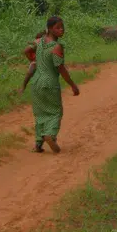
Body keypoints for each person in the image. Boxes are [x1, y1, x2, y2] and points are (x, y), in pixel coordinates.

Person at [23, 16, 80, 153]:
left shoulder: (37, 42)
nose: (61, 30)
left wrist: (34, 59)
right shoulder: (56, 47)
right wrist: (72, 85)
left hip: (36, 83)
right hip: (50, 82)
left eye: (62, 27)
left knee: (40, 113)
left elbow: (26, 50)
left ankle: (38, 145)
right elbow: (61, 68)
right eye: (58, 27)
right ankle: (50, 135)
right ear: (49, 29)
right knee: (55, 112)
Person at [19, 31, 45, 95]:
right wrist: (32, 60)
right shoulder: (38, 43)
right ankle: (23, 87)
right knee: (30, 72)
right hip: (36, 61)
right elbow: (26, 50)